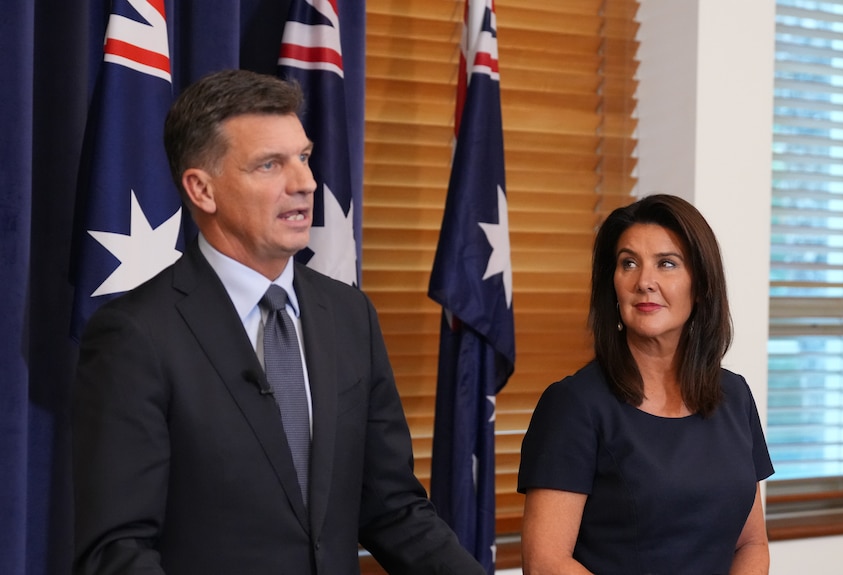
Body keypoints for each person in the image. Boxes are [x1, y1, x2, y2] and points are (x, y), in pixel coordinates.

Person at [72, 69, 485, 575]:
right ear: (202, 190)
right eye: (270, 165)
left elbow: (393, 507)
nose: (306, 183)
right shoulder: (136, 336)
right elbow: (117, 551)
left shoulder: (350, 315)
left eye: (305, 158)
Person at [517, 194, 774, 574]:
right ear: (613, 285)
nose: (644, 282)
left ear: (700, 285)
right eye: (628, 264)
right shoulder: (573, 404)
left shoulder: (734, 395)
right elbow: (545, 562)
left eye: (666, 264)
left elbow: (751, 543)